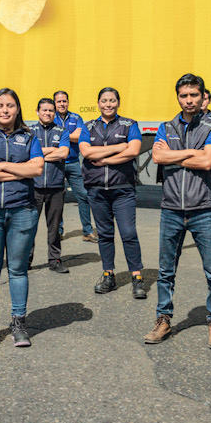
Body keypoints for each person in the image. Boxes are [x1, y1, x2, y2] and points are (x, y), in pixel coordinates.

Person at [147, 74, 211, 349]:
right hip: (171, 208)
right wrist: (192, 152)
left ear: (202, 96)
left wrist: (177, 154)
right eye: (184, 95)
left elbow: (207, 162)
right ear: (178, 97)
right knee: (166, 271)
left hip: (202, 208)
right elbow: (157, 157)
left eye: (194, 95)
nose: (189, 100)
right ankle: (163, 320)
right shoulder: (166, 126)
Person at [0, 87, 45, 347]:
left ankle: (19, 323)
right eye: (0, 105)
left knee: (18, 270)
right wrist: (19, 172)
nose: (5, 110)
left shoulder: (30, 136)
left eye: (10, 105)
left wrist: (0, 166)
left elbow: (37, 167)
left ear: (17, 109)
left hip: (22, 211)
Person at [79, 87, 145, 298]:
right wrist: (119, 148)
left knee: (128, 233)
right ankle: (109, 275)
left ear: (118, 102)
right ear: (98, 103)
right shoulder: (88, 126)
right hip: (96, 189)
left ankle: (137, 277)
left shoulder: (129, 124)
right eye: (104, 101)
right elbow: (86, 151)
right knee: (105, 234)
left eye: (112, 100)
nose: (108, 104)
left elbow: (134, 150)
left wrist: (105, 159)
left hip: (122, 189)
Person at [29, 97, 71, 273]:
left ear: (55, 113)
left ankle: (55, 260)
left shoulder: (62, 131)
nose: (47, 113)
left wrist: (38, 153)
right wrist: (51, 151)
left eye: (51, 110)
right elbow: (25, 155)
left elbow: (63, 153)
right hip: (33, 187)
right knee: (28, 227)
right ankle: (25, 261)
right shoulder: (28, 131)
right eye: (44, 110)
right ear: (37, 111)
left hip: (55, 187)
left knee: (54, 228)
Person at [53, 91, 96, 243]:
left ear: (68, 102)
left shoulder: (76, 118)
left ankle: (87, 231)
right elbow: (51, 138)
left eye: (64, 101)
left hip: (73, 163)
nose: (62, 104)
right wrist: (69, 135)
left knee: (84, 195)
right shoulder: (51, 116)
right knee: (58, 198)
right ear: (55, 103)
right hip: (56, 164)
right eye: (59, 102)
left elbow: (80, 136)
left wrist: (60, 135)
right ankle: (58, 231)